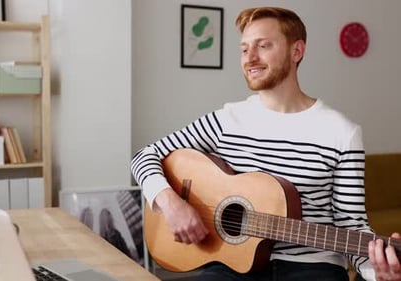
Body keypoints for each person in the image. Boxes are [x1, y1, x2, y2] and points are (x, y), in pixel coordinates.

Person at [131, 6, 400, 281]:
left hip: (312, 269)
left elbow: (351, 224)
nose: (250, 58)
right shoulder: (226, 120)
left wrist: (376, 270)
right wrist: (170, 203)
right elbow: (144, 156)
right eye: (244, 48)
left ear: (297, 51)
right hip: (231, 265)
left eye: (263, 46)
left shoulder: (342, 132)